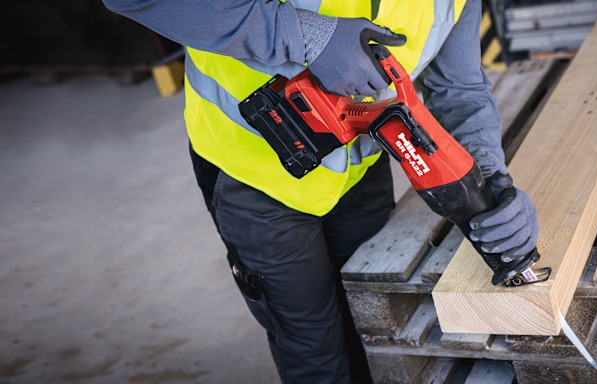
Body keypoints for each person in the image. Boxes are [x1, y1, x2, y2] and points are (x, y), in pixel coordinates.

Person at [101, 1, 539, 383]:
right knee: (313, 350)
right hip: (253, 178)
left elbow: (459, 92)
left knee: (373, 330)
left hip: (358, 170)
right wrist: (307, 35)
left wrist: (492, 185)